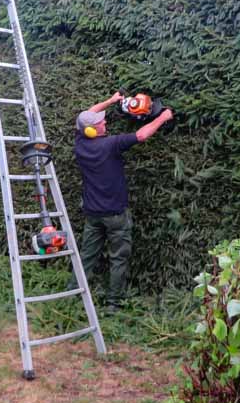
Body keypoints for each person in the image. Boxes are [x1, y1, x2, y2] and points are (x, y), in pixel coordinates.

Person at [65, 91, 174, 311]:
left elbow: (87, 114)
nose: (105, 121)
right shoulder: (110, 144)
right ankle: (114, 303)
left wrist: (112, 101)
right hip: (115, 214)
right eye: (100, 122)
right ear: (91, 129)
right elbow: (141, 136)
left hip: (93, 214)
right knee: (118, 258)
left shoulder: (80, 143)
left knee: (87, 255)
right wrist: (163, 117)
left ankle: (72, 293)